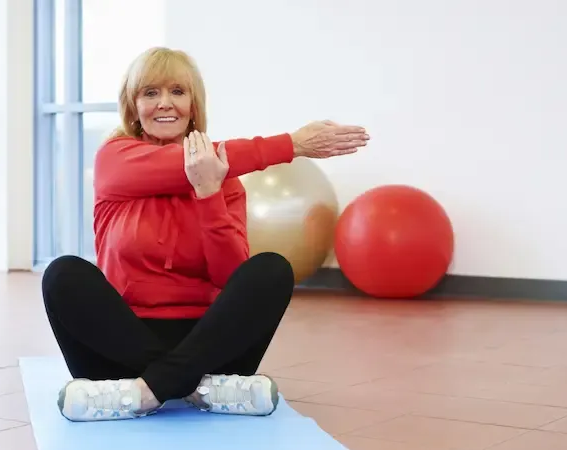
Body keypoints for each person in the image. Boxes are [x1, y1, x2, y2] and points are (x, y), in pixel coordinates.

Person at [42, 47, 370, 422]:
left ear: (193, 105)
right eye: (150, 93)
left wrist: (209, 195)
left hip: (210, 345)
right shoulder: (115, 158)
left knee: (271, 269)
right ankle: (197, 388)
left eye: (177, 92)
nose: (165, 103)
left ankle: (146, 391)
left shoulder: (224, 182)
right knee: (63, 274)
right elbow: (184, 164)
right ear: (133, 107)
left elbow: (229, 276)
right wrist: (292, 144)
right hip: (121, 345)